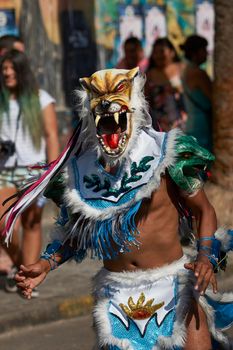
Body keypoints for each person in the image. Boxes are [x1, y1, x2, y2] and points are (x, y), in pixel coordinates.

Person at [5, 68, 233, 349]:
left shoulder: (166, 154)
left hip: (174, 285)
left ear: (134, 111)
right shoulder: (79, 173)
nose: (111, 128)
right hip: (117, 295)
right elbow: (77, 234)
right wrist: (45, 264)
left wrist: (205, 256)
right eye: (104, 122)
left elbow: (204, 211)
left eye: (118, 118)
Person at [0, 49, 60, 295]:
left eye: (12, 69)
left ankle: (26, 276)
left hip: (33, 171)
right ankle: (16, 264)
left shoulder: (40, 98)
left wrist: (53, 171)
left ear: (22, 71)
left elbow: (51, 135)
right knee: (4, 224)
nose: (7, 73)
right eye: (4, 70)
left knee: (32, 224)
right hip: (5, 168)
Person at [0, 34, 25, 274]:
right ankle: (20, 264)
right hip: (5, 164)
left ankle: (21, 265)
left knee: (24, 222)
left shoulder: (32, 92)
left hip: (25, 163)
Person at [145, 37, 187, 131]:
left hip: (184, 124)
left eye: (162, 51)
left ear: (172, 52)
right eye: (155, 52)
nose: (159, 55)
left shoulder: (182, 69)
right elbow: (146, 101)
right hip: (160, 126)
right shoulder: (149, 75)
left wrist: (179, 89)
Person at [180, 35, 213, 151]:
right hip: (203, 126)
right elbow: (213, 98)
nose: (206, 54)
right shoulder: (198, 73)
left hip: (192, 123)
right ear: (195, 53)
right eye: (203, 50)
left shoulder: (186, 71)